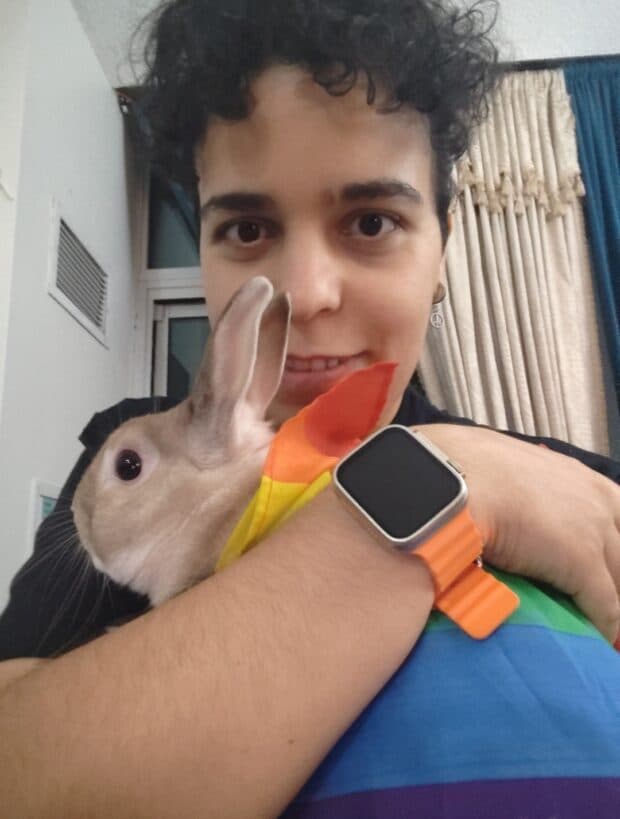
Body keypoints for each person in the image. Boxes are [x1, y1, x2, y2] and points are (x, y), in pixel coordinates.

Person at [1, 1, 619, 816]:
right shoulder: (130, 480)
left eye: (371, 222)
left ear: (445, 248)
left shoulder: (570, 491)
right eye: (248, 227)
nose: (304, 291)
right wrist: (447, 489)